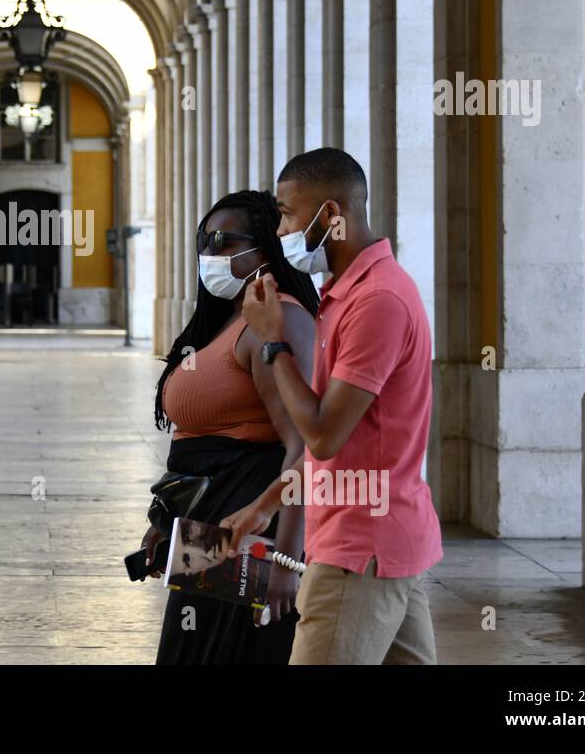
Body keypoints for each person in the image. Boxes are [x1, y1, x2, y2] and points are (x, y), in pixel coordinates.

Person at [230, 147, 443, 664]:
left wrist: (273, 342)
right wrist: (265, 505)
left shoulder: (378, 302)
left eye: (285, 213)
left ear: (329, 216)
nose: (279, 230)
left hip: (358, 552)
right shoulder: (349, 292)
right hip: (382, 543)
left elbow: (324, 434)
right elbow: (344, 446)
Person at [146, 190, 319, 664]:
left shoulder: (279, 321)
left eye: (223, 241)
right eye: (203, 241)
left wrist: (287, 563)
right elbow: (201, 445)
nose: (209, 254)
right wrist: (166, 523)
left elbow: (303, 447)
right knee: (192, 649)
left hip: (251, 535)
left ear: (264, 247)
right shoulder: (232, 318)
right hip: (209, 531)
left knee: (228, 653)